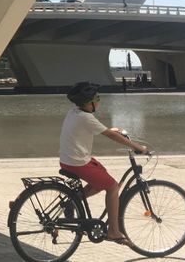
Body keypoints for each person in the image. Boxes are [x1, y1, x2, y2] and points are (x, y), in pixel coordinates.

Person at [60, 81, 148, 247]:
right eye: (97, 98)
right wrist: (137, 147)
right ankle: (113, 232)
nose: (99, 101)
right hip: (78, 162)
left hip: (69, 160)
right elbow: (110, 136)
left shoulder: (75, 112)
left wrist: (109, 130)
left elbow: (99, 129)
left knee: (103, 179)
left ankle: (71, 201)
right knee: (113, 187)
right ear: (89, 103)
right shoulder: (86, 118)